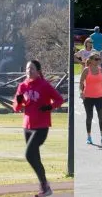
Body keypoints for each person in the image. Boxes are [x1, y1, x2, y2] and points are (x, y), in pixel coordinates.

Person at [12, 60, 64, 197]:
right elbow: (16, 107)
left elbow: (59, 100)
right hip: (27, 126)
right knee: (35, 157)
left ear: (38, 71)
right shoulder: (22, 86)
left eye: (32, 68)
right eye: (28, 68)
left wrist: (49, 107)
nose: (29, 70)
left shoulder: (44, 85)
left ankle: (45, 186)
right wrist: (18, 101)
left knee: (29, 155)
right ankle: (45, 187)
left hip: (41, 126)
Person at [79, 52, 102, 145]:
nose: (98, 61)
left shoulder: (101, 70)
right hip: (88, 97)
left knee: (101, 116)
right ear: (91, 60)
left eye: (99, 59)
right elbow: (81, 82)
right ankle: (89, 137)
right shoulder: (86, 70)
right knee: (89, 117)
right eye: (96, 59)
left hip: (99, 96)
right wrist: (81, 92)